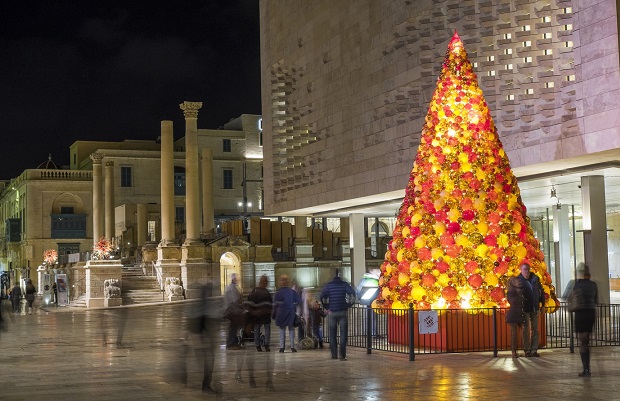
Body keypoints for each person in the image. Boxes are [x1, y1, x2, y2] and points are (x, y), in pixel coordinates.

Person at [569, 262, 598, 377]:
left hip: (580, 313)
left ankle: (586, 368)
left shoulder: (575, 284)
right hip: (590, 313)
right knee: (586, 340)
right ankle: (587, 368)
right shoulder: (593, 285)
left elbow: (567, 296)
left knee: (582, 341)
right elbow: (596, 299)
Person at [320, 268, 356, 361]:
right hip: (342, 311)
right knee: (343, 334)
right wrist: (348, 305)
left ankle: (334, 354)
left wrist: (327, 306)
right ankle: (342, 355)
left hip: (332, 312)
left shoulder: (329, 285)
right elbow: (352, 294)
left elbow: (322, 296)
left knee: (332, 334)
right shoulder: (344, 284)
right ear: (340, 275)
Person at [517, 262, 544, 357]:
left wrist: (542, 304)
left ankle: (534, 350)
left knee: (535, 329)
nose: (527, 271)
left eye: (528, 269)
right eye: (525, 269)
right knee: (525, 329)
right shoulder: (518, 280)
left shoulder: (535, 279)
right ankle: (527, 350)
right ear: (521, 270)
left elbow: (541, 291)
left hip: (535, 307)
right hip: (524, 308)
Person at [271, 274, 301, 353]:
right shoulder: (292, 292)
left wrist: (273, 314)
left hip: (281, 313)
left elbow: (274, 304)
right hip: (290, 312)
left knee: (282, 330)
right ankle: (292, 347)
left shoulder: (278, 293)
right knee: (291, 330)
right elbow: (299, 301)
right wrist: (294, 306)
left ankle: (282, 347)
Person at [246, 275, 273, 352]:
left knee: (257, 329)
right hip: (265, 314)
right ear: (265, 282)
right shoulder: (267, 292)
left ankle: (258, 346)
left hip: (256, 314)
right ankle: (266, 345)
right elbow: (270, 303)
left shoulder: (254, 291)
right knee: (267, 328)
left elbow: (249, 302)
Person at [505, 277, 525, 358]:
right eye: (516, 281)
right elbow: (512, 301)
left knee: (524, 332)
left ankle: (524, 349)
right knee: (514, 334)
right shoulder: (511, 292)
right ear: (512, 283)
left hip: (520, 313)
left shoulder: (520, 290)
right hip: (513, 314)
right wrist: (518, 294)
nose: (518, 282)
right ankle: (514, 351)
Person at [224, 273, 242, 350]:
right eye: (236, 279)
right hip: (232, 311)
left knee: (234, 327)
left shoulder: (232, 287)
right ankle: (230, 344)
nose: (237, 280)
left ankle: (234, 342)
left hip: (232, 310)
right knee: (233, 327)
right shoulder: (232, 288)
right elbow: (235, 300)